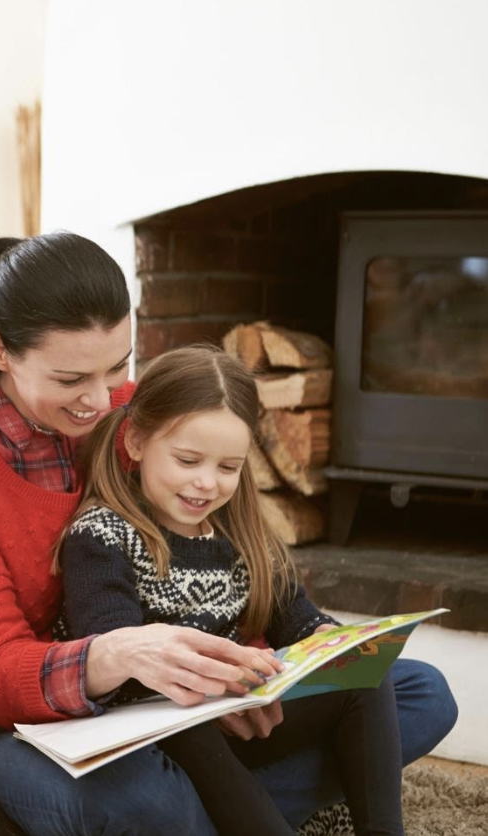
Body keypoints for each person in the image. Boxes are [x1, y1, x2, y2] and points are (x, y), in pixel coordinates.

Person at [0, 231, 457, 836]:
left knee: (418, 694)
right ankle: (211, 810)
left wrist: (234, 681)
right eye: (70, 378)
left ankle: (214, 811)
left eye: (118, 367)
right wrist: (127, 658)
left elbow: (214, 552)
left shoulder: (132, 413)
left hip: (166, 706)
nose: (102, 400)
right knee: (144, 805)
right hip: (21, 723)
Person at [56, 345, 403, 836]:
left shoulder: (242, 539)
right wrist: (216, 685)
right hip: (153, 735)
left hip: (234, 715)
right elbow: (114, 656)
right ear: (135, 441)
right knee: (192, 729)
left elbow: (299, 619)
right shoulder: (102, 535)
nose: (206, 484)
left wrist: (331, 642)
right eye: (188, 460)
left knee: (371, 670)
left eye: (227, 467)